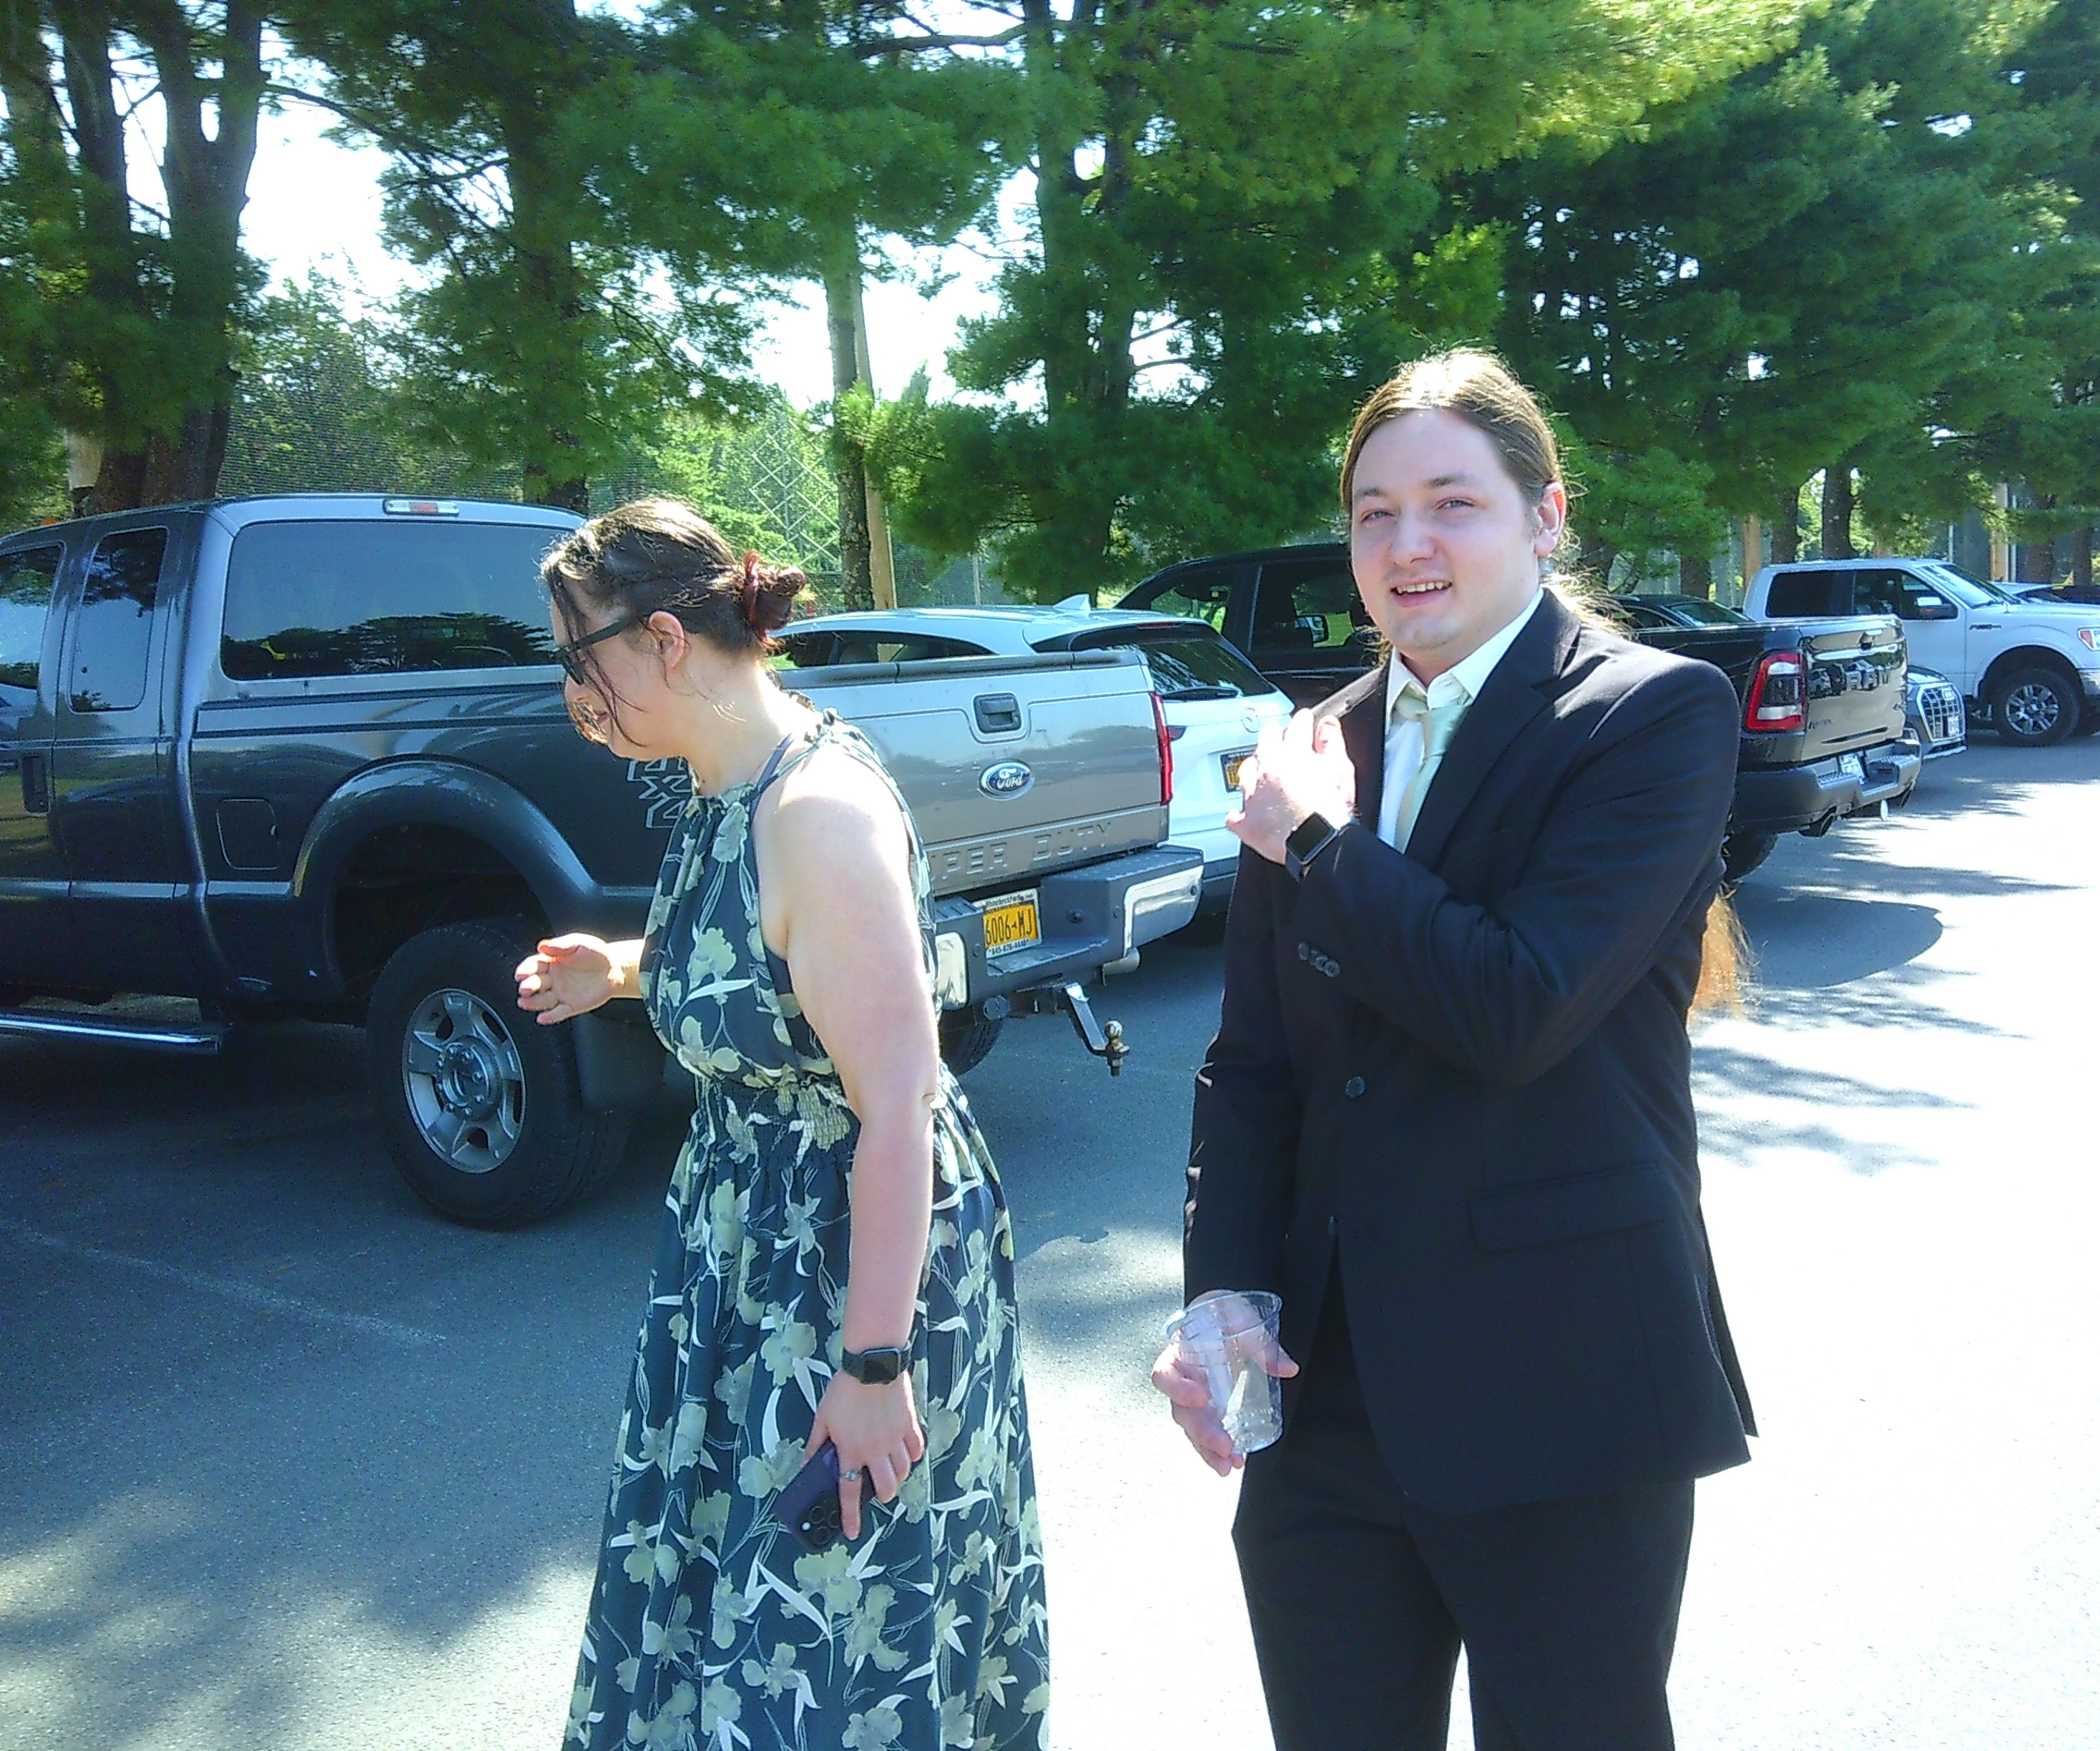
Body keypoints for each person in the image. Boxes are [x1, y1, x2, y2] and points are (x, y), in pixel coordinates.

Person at [1153, 350, 1755, 1751]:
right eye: (1373, 511)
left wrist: (1315, 840)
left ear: (1546, 515)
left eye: (1452, 504)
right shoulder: (1318, 743)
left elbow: (1516, 1009)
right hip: (1329, 1399)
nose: (1407, 545)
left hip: (1561, 1391)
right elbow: (1254, 1067)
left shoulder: (1646, 716)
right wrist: (1223, 1287)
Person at [517, 501, 1047, 1751]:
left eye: (575, 655)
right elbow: (770, 974)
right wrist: (627, 968)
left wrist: (872, 1367)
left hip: (848, 1258)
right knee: (729, 1592)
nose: (572, 689)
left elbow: (900, 1109)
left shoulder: (817, 815)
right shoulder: (722, 784)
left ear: (662, 639)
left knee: (828, 1624)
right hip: (747, 1246)